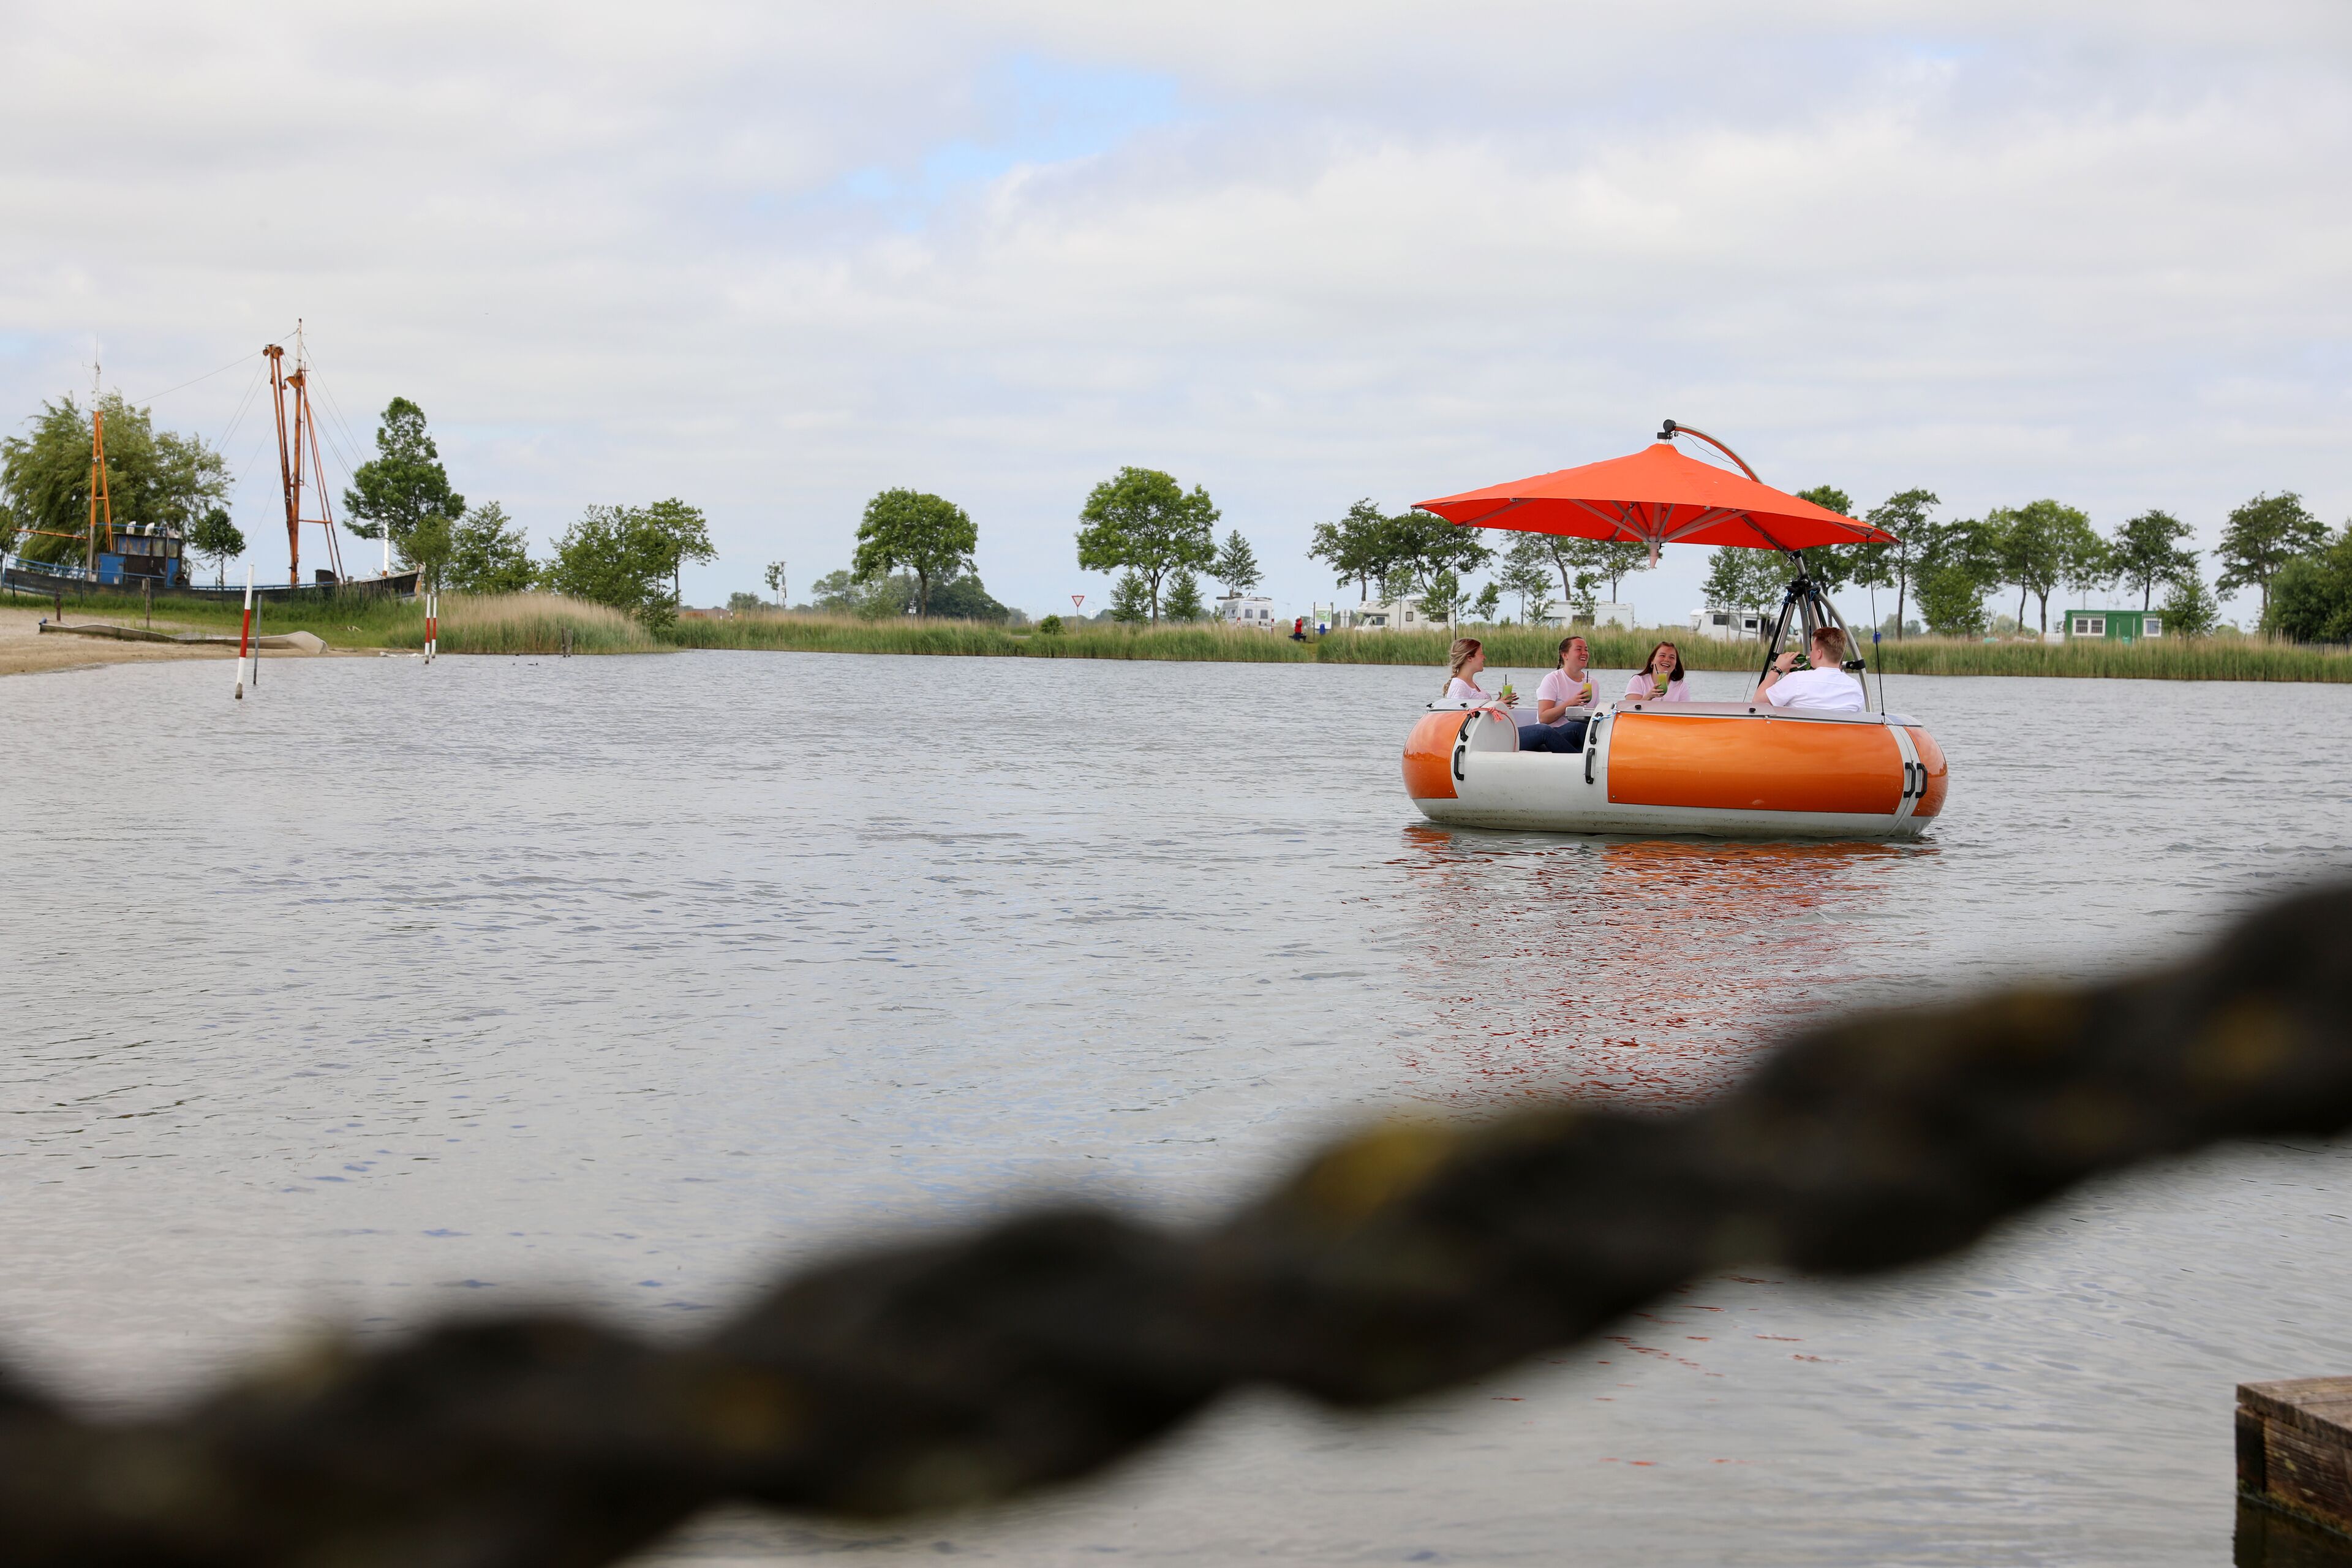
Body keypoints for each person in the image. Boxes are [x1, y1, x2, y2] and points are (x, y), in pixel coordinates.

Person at [1757, 625, 1866, 711]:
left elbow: (1757, 704)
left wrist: (1777, 668)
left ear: (1819, 654)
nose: (1810, 653)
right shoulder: (1855, 687)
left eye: (1812, 649)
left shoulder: (1796, 680)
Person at [1519, 635, 1597, 752]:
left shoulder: (1593, 683)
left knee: (1588, 730)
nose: (1584, 653)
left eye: (1586, 649)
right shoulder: (1553, 679)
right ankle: (1584, 764)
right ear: (1565, 655)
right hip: (1552, 736)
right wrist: (1570, 703)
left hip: (1578, 737)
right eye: (1579, 649)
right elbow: (1543, 718)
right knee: (1578, 727)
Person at [1625, 640, 1692, 703]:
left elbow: (1686, 712)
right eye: (1662, 655)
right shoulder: (1638, 681)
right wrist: (1649, 697)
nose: (1667, 660)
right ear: (1652, 661)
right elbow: (1630, 710)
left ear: (1676, 665)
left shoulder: (1681, 686)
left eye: (1672, 657)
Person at [1441, 637, 1490, 703]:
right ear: (1470, 658)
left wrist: (1499, 703)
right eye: (1481, 654)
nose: (1484, 658)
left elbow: (1480, 710)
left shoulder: (1471, 683)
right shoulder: (1459, 686)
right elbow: (1460, 713)